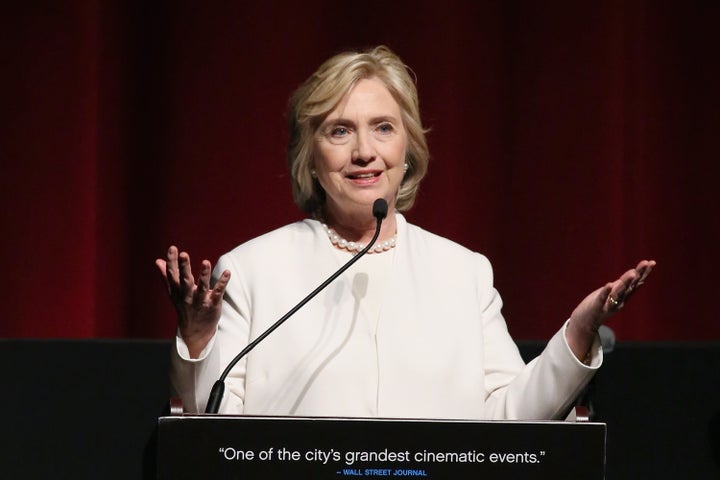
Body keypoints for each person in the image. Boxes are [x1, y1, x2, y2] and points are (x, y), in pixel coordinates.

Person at [156, 46, 655, 419]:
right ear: (310, 155)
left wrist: (576, 334)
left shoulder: (464, 274)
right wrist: (197, 341)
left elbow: (509, 421)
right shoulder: (251, 270)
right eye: (339, 130)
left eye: (383, 128)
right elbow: (214, 427)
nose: (364, 151)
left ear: (409, 148)